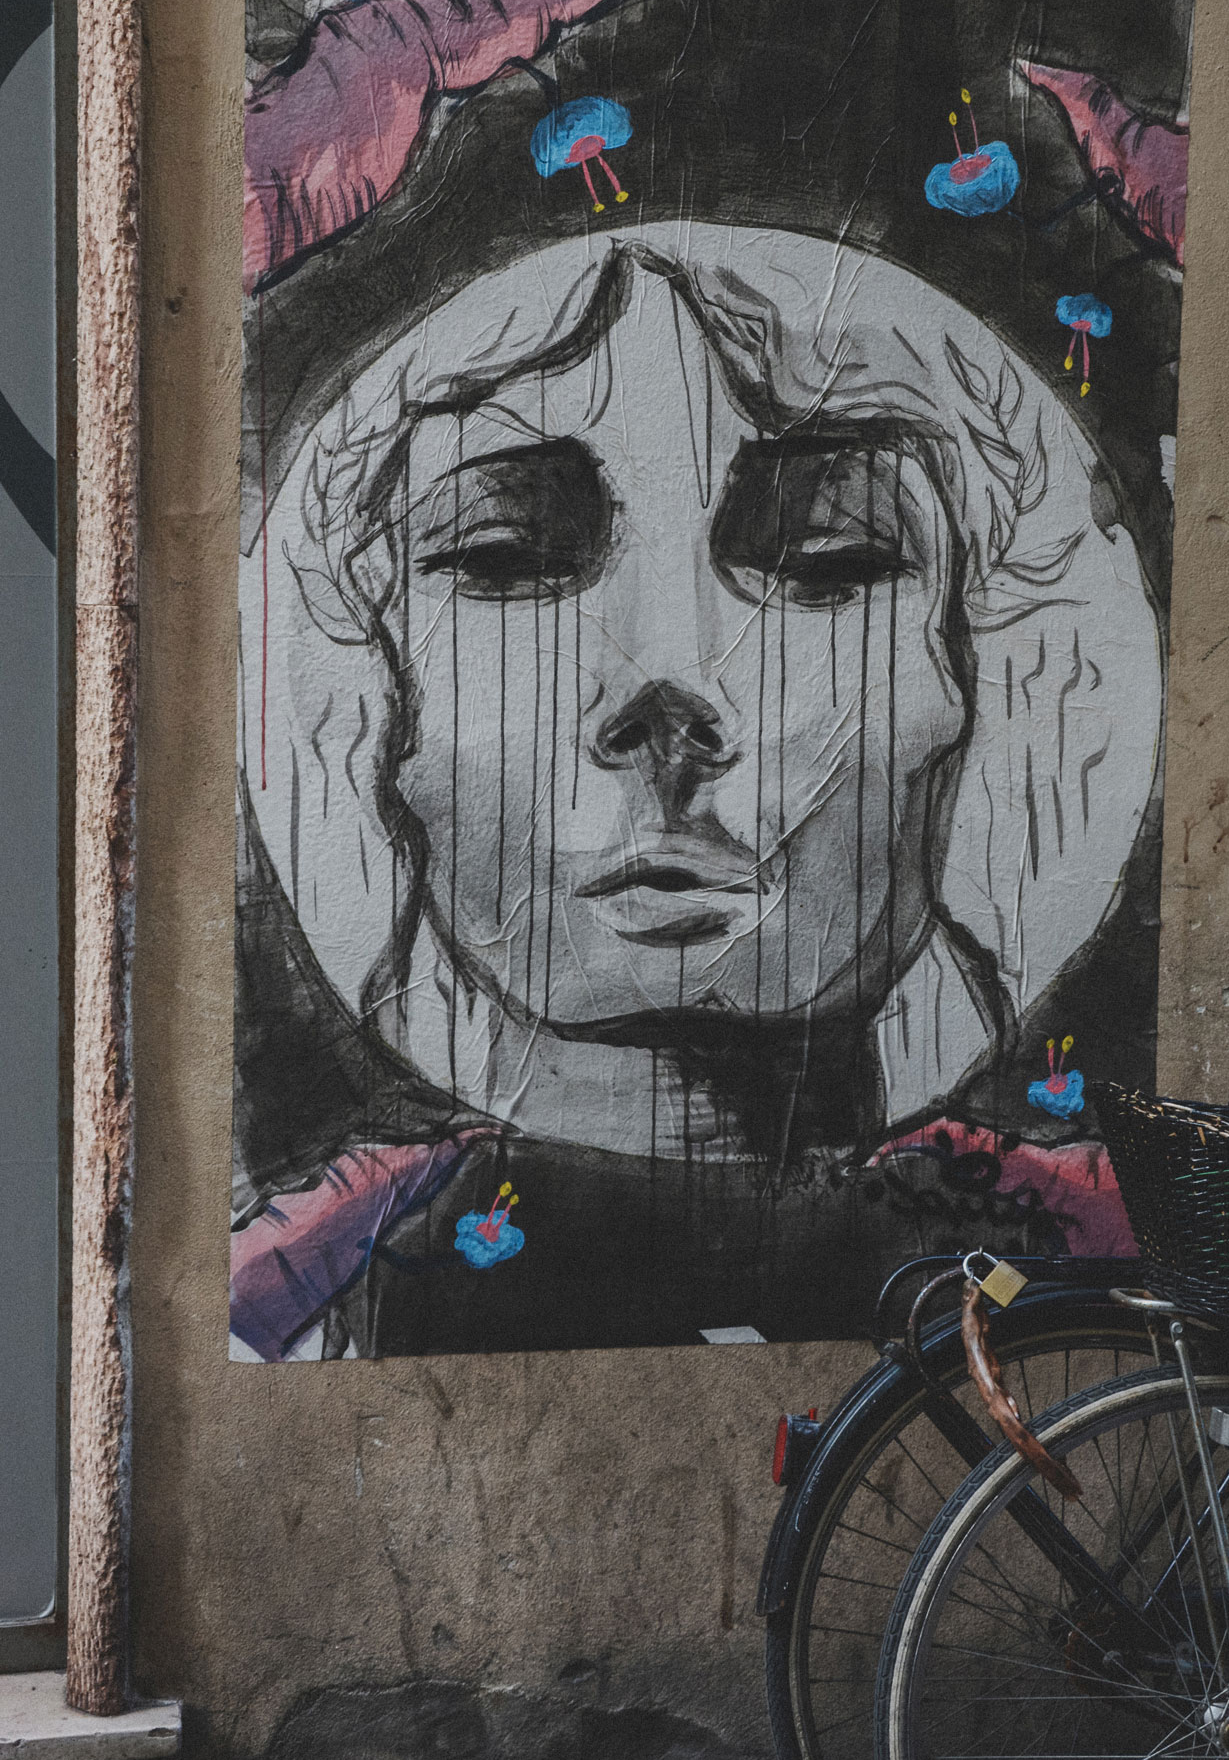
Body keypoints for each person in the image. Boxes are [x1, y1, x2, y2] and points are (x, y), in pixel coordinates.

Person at [233, 223, 1161, 1356]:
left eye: (829, 561)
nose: (672, 697)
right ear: (384, 707)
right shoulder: (298, 1295)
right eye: (502, 558)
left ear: (975, 683)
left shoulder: (1082, 1262)